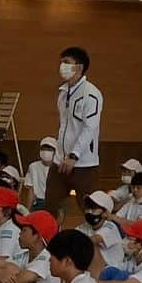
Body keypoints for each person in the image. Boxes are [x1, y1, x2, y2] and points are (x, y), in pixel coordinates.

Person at [45, 46, 104, 218]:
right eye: (61, 62)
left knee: (90, 209)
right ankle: (49, 241)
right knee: (50, 205)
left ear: (79, 67)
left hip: (83, 163)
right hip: (59, 160)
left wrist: (74, 155)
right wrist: (61, 155)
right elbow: (64, 126)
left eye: (66, 62)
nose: (61, 66)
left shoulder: (91, 94)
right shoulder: (62, 93)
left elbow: (90, 128)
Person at [77, 190, 125, 271]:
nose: (89, 211)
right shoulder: (84, 226)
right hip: (96, 270)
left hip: (113, 272)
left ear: (105, 213)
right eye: (88, 207)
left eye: (94, 208)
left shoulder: (111, 226)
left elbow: (94, 239)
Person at [22, 138, 56, 212]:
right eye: (43, 149)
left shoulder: (58, 168)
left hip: (54, 202)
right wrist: (27, 211)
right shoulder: (33, 166)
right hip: (38, 203)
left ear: (55, 152)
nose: (45, 152)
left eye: (49, 149)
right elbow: (31, 190)